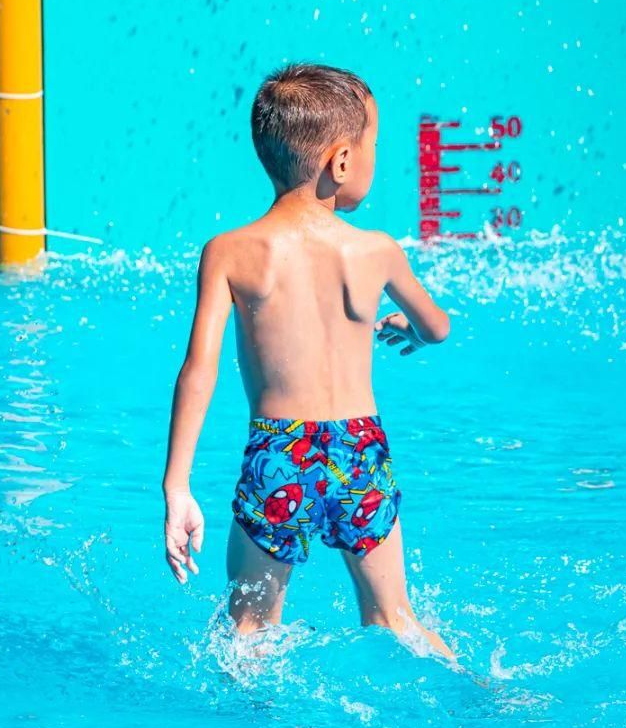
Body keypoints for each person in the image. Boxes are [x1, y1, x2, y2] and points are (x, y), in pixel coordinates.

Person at [162, 62, 453, 656]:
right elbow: (438, 328)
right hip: (358, 449)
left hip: (278, 453)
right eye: (374, 145)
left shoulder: (229, 252)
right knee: (396, 619)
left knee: (247, 632)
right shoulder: (376, 251)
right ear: (341, 161)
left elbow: (199, 370)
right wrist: (413, 334)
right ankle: (478, 691)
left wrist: (177, 485)